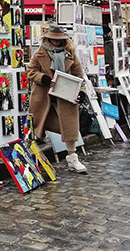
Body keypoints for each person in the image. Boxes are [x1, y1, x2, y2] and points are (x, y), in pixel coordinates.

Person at [26, 25, 88, 174]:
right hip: (43, 96)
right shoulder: (39, 53)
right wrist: (44, 78)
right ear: (47, 39)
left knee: (69, 127)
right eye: (53, 39)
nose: (55, 42)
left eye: (58, 40)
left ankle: (73, 158)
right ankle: (32, 159)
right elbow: (30, 71)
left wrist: (81, 92)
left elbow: (79, 76)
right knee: (37, 126)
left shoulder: (70, 54)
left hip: (66, 96)